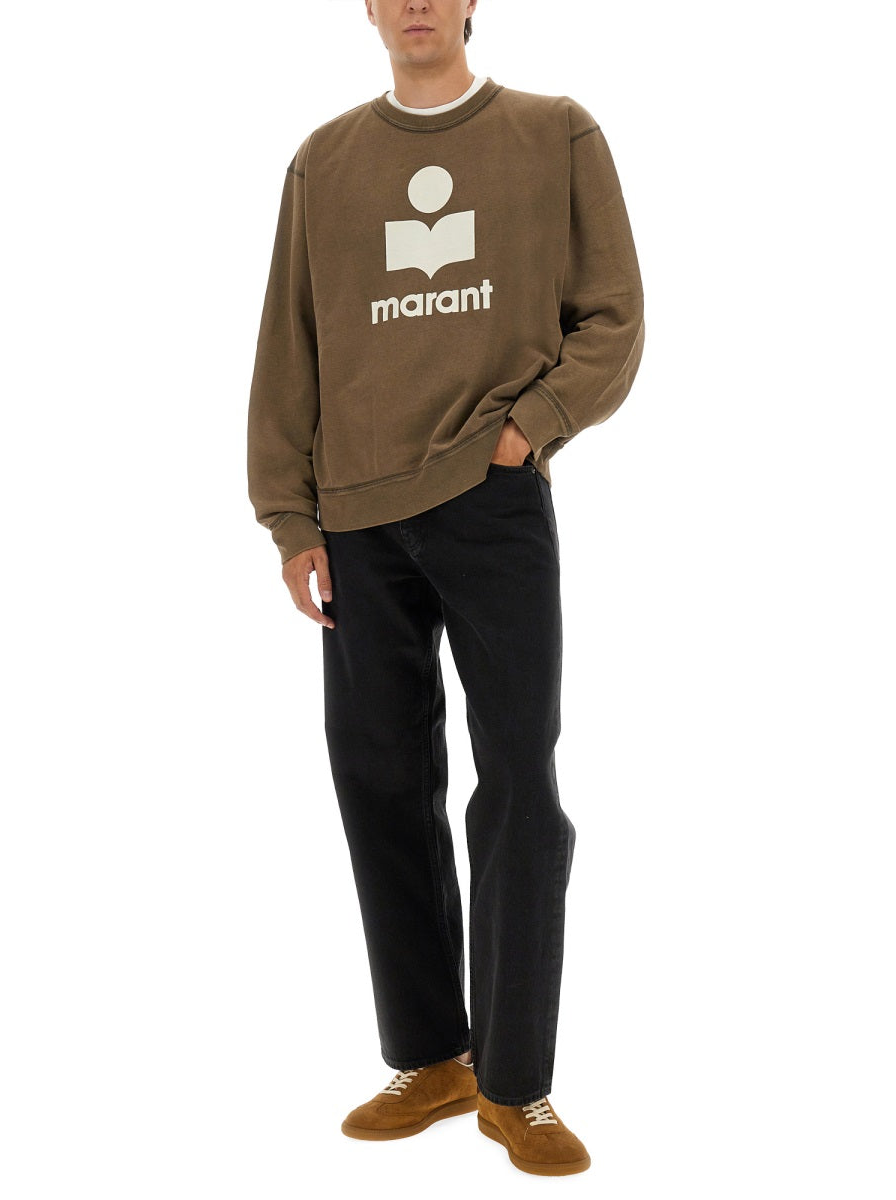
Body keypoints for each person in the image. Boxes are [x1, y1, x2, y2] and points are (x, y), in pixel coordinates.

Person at [246, 0, 644, 1177]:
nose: (415, 0)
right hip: (354, 514)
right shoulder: (324, 161)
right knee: (378, 779)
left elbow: (613, 316)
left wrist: (529, 429)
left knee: (517, 780)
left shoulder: (554, 132)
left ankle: (516, 1085)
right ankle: (432, 1058)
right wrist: (290, 518)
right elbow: (287, 350)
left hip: (490, 497)